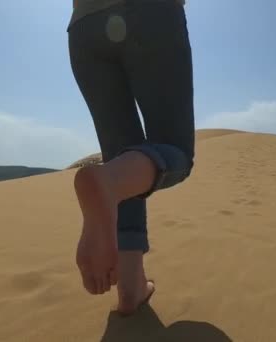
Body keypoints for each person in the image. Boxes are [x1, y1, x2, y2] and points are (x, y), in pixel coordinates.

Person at [68, 0, 194, 315]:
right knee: (174, 149)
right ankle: (107, 182)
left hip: (84, 27)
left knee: (123, 160)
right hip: (151, 13)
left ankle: (131, 288)